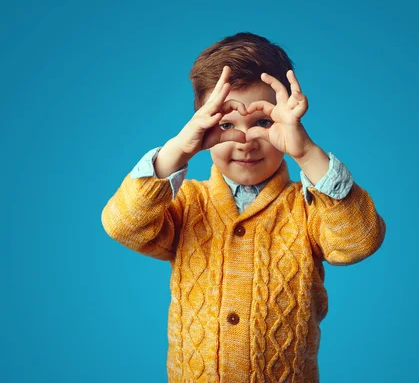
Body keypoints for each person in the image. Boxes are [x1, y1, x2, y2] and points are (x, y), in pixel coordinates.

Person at [101, 32, 386, 382]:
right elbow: (122, 224)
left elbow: (359, 240)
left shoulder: (309, 208)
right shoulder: (187, 202)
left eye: (263, 123)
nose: (246, 140)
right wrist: (178, 149)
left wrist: (306, 152)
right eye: (226, 125)